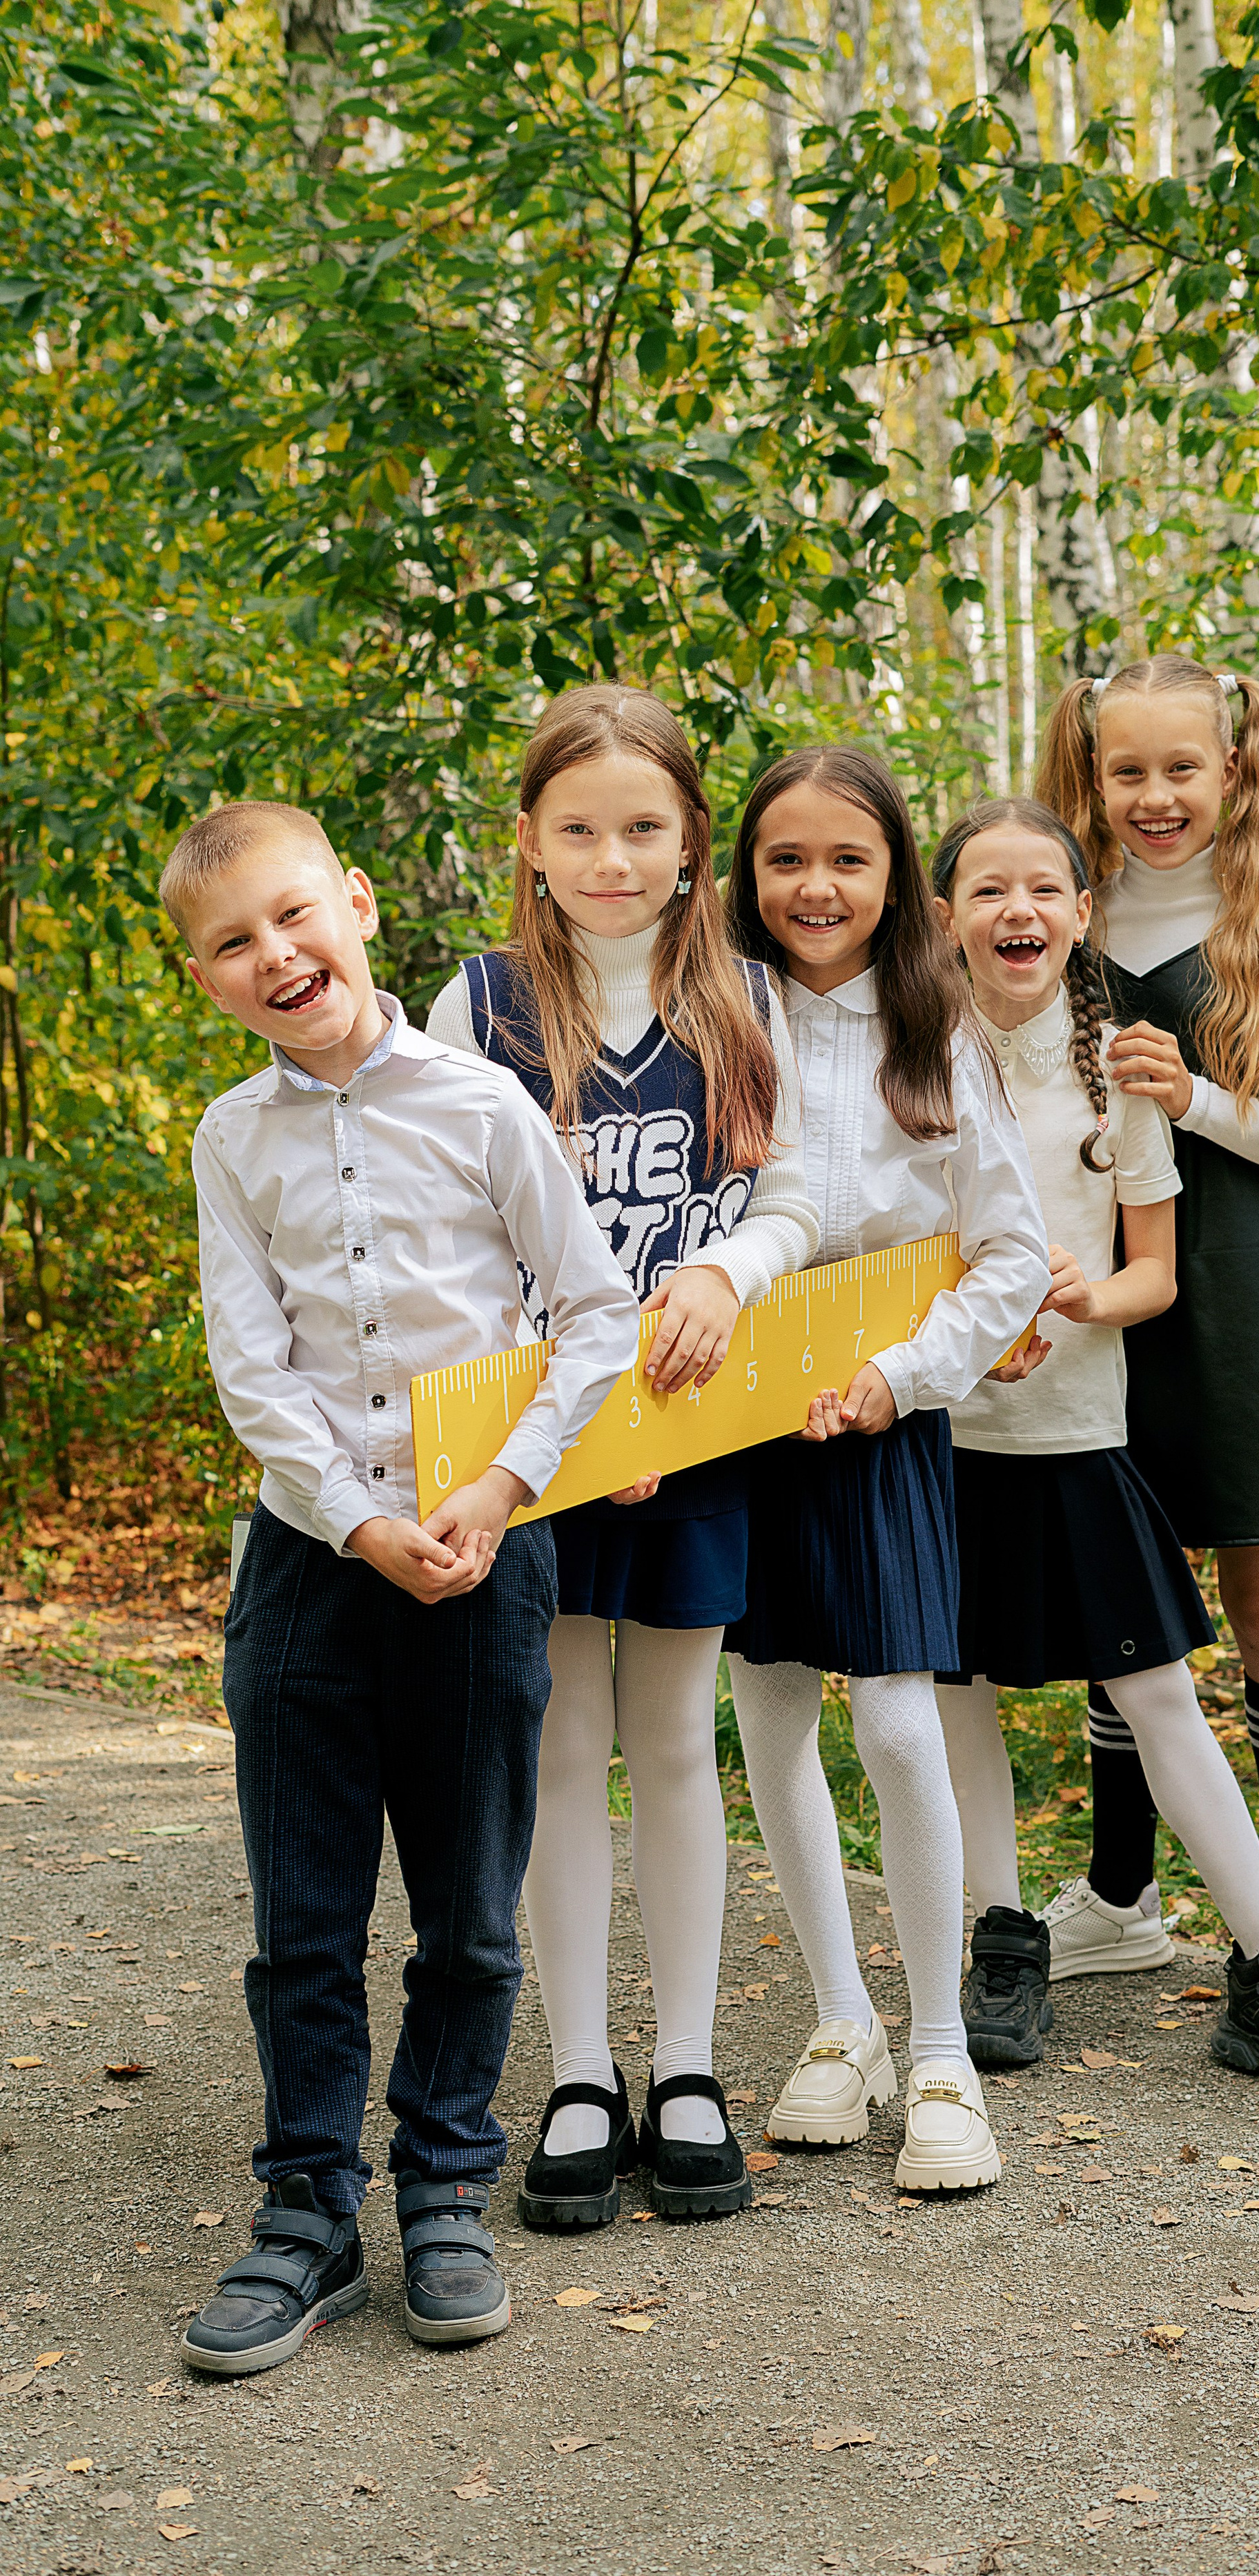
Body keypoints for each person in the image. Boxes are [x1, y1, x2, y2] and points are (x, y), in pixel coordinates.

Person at [166, 799, 640, 2376]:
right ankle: (308, 2211)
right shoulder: (231, 1142)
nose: (275, 954)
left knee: (468, 1910)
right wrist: (361, 1522)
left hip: (487, 1547)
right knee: (304, 1919)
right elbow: (254, 1370)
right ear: (206, 976)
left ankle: (443, 2179)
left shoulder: (485, 1102)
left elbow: (591, 1314)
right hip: (311, 1567)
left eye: (294, 915)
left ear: (357, 903)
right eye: (234, 941)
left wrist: (500, 1487)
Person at [428, 685, 819, 2225]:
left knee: (673, 1740)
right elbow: (454, 1236)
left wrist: (725, 1276)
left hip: (693, 1413)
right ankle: (581, 2067)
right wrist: (569, 1414)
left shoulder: (742, 996)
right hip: (535, 1431)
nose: (609, 855)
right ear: (526, 840)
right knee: (556, 1743)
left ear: (689, 843)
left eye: (641, 828)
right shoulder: (475, 1005)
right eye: (577, 827)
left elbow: (791, 1198)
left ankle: (687, 2066)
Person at [928, 799, 1259, 2100]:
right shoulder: (912, 1065)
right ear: (947, 914)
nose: (1016, 913)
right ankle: (1003, 1938)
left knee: (1153, 1687)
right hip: (938, 1424)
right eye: (985, 891)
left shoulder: (1120, 1070)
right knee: (957, 1684)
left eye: (1044, 892)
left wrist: (1078, 1300)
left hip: (1080, 1429)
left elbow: (1155, 1278)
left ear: (1085, 917)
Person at [1040, 657, 1259, 2098]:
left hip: (1236, 1291)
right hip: (1102, 1287)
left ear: (1235, 771)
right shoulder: (1064, 912)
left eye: (1179, 769)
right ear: (1092, 776)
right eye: (1126, 773)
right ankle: (1119, 1895)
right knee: (1117, 1594)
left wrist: (1198, 1100)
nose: (1153, 797)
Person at [721, 747, 1048, 2192]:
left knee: (898, 1725)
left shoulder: (938, 1030)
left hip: (881, 1412)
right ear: (743, 875)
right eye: (784, 858)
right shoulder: (712, 1018)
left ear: (896, 877)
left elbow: (1013, 1254)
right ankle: (840, 2020)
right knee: (768, 1713)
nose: (814, 885)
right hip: (727, 1420)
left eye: (845, 858)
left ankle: (938, 2051)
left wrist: (901, 1377)